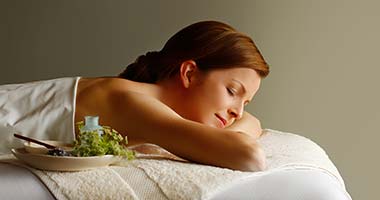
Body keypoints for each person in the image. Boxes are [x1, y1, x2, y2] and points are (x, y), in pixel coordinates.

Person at [0, 21, 269, 171]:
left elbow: (250, 126)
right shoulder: (134, 104)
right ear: (189, 73)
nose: (238, 113)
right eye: (232, 92)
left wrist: (244, 124)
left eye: (246, 104)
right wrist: (243, 132)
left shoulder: (132, 95)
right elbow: (249, 157)